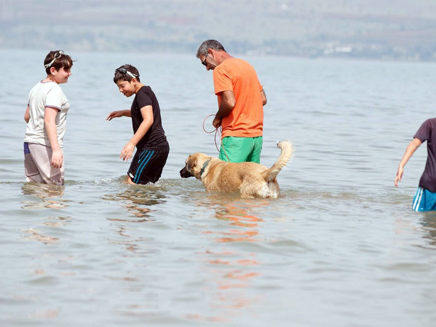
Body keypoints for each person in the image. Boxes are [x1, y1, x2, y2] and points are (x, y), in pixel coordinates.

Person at [196, 39, 267, 163]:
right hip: (256, 137)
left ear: (211, 52)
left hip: (236, 137)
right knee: (250, 181)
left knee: (224, 181)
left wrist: (217, 119)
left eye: (204, 62)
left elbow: (229, 102)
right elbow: (263, 99)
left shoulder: (221, 69)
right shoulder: (247, 66)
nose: (207, 68)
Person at [106, 64, 169, 185]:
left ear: (133, 80)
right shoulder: (146, 91)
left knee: (131, 182)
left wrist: (131, 143)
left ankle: (132, 204)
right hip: (160, 148)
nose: (120, 90)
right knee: (145, 185)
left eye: (122, 86)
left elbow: (148, 119)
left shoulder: (141, 95)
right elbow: (144, 112)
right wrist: (124, 113)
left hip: (151, 148)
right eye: (118, 87)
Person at [24, 50, 74, 185]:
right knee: (55, 189)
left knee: (34, 188)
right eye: (66, 69)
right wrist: (56, 150)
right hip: (45, 144)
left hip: (30, 143)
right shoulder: (54, 89)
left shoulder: (36, 87)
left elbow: (27, 116)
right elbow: (49, 120)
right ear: (53, 70)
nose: (70, 73)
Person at [395, 118, 436, 211]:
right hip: (430, 184)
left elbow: (415, 144)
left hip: (430, 184)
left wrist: (401, 165)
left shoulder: (431, 123)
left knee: (416, 216)